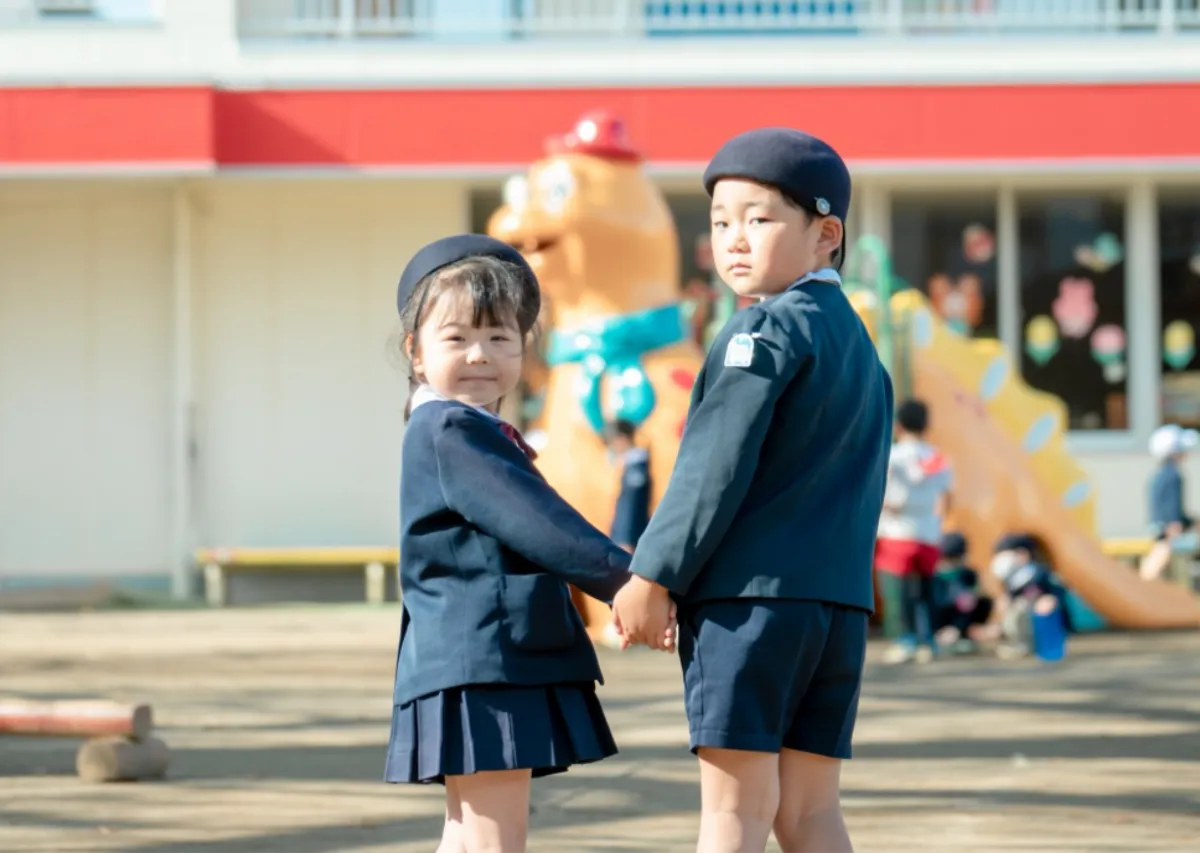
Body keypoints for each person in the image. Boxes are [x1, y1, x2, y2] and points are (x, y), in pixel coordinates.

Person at [612, 128, 893, 853]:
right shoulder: (860, 347)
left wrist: (652, 572)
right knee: (811, 814)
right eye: (719, 220)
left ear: (825, 234)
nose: (732, 239)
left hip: (751, 608)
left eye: (759, 218)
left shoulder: (761, 331)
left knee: (733, 815)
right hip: (835, 610)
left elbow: (712, 463)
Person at [384, 234, 674, 853]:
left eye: (499, 338)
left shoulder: (451, 426)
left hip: (467, 659)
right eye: (455, 338)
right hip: (487, 661)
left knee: (466, 836)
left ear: (524, 347)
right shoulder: (450, 428)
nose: (480, 355)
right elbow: (539, 522)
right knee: (494, 839)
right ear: (415, 352)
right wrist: (631, 584)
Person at [874, 398, 953, 664]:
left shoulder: (893, 454)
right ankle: (928, 641)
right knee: (926, 592)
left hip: (896, 531)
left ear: (898, 425)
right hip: (928, 532)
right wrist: (937, 525)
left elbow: (880, 489)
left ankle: (905, 640)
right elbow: (946, 498)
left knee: (898, 593)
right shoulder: (937, 457)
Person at [989, 533, 1071, 660]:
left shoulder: (1040, 572)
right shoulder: (1012, 578)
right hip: (1020, 609)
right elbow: (1012, 595)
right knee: (1012, 618)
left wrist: (1051, 599)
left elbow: (1056, 590)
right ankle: (1020, 644)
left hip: (1039, 611)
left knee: (1023, 615)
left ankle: (1033, 646)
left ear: (1023, 554)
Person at [1139, 424, 1198, 582]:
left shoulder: (1160, 473)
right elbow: (1173, 509)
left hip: (1160, 528)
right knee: (1155, 569)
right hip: (1168, 533)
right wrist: (1175, 526)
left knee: (1156, 567)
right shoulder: (1173, 475)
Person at [932, 532, 995, 654]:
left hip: (961, 621)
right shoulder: (932, 577)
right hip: (938, 622)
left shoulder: (968, 574)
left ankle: (968, 633)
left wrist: (957, 628)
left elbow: (969, 603)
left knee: (982, 600)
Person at [603, 419, 653, 553]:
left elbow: (630, 505)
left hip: (630, 538)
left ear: (622, 439)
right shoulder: (633, 464)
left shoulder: (636, 466)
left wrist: (625, 539)